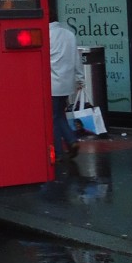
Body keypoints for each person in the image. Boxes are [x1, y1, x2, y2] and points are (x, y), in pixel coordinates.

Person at [49, 14, 85, 160]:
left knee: (53, 118)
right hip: (66, 83)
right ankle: (71, 141)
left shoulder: (47, 35)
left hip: (52, 84)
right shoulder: (69, 34)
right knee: (59, 114)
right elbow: (77, 58)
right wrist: (80, 78)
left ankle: (59, 150)